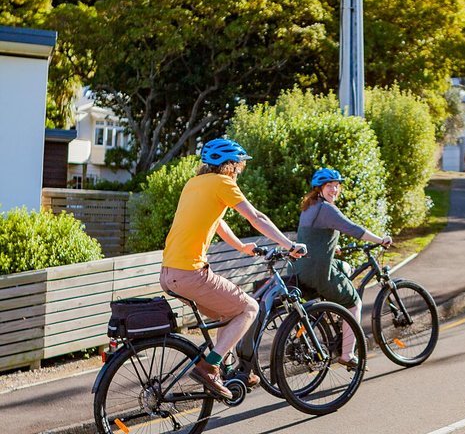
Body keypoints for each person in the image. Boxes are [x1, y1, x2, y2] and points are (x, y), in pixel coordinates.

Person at [160, 138, 306, 400]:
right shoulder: (223, 183)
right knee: (250, 308)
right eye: (239, 165)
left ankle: (225, 371)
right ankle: (210, 367)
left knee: (227, 314)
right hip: (191, 272)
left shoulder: (194, 184)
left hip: (169, 273)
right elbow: (256, 217)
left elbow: (215, 222)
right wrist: (289, 244)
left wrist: (241, 247)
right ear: (228, 165)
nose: (240, 169)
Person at [293, 168, 392, 368]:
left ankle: (338, 316)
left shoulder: (310, 206)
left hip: (302, 268)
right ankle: (347, 354)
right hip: (319, 271)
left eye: (337, 186)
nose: (334, 190)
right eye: (330, 186)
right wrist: (380, 240)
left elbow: (314, 236)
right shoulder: (327, 209)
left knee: (345, 268)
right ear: (319, 188)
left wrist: (331, 246)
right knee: (354, 303)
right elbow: (354, 229)